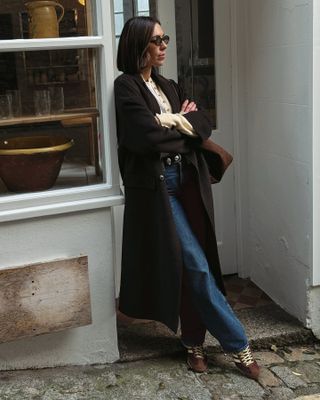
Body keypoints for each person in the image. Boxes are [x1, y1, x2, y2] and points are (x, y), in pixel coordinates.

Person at [114, 16, 260, 380]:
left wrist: (171, 121)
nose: (164, 45)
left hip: (189, 180)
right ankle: (239, 346)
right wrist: (181, 123)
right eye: (157, 39)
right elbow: (145, 138)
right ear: (138, 46)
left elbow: (203, 125)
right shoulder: (126, 88)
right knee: (193, 264)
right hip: (159, 189)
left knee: (197, 263)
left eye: (166, 38)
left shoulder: (169, 85)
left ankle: (193, 343)